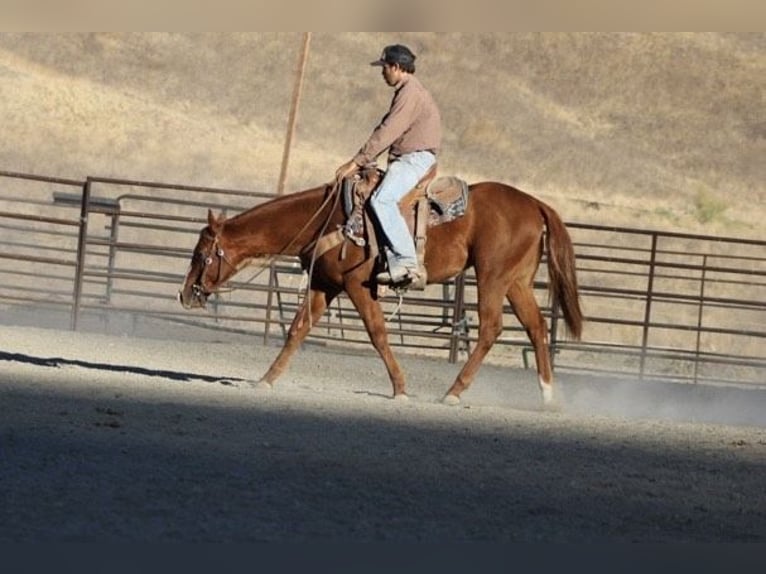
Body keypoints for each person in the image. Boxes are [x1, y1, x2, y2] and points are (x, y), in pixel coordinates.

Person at [335, 44, 442, 286]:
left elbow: (388, 132)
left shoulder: (410, 93)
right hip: (410, 157)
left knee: (381, 200)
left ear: (396, 67)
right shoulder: (408, 91)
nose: (383, 73)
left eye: (385, 68)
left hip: (414, 158)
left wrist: (357, 161)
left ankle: (406, 262)